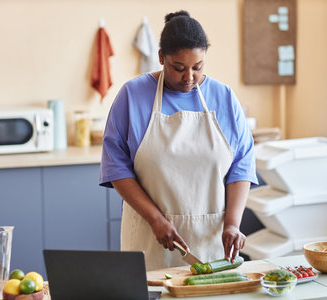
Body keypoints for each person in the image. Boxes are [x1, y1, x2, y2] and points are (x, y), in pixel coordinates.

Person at [100, 10, 257, 271]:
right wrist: (155, 220)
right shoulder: (133, 96)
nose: (189, 78)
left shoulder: (225, 98)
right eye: (179, 68)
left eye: (198, 67)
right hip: (150, 240)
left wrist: (232, 223)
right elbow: (116, 168)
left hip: (211, 245)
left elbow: (241, 165)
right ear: (161, 57)